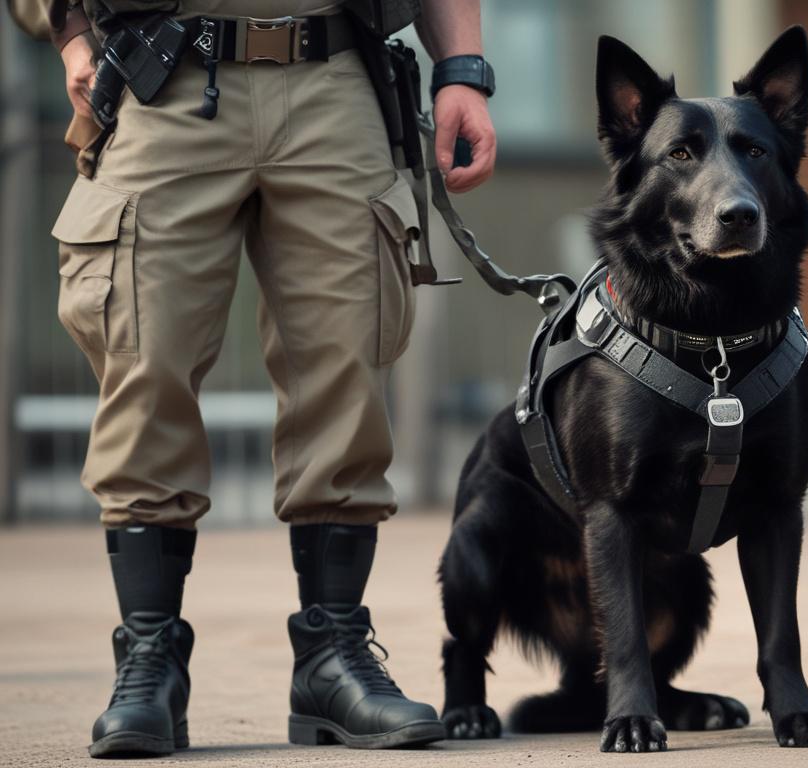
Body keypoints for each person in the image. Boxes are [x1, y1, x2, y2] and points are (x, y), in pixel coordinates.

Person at [37, 0, 496, 756]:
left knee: (344, 361)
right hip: (165, 78)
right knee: (144, 357)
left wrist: (463, 71)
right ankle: (149, 659)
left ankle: (332, 656)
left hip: (336, 73)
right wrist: (69, 36)